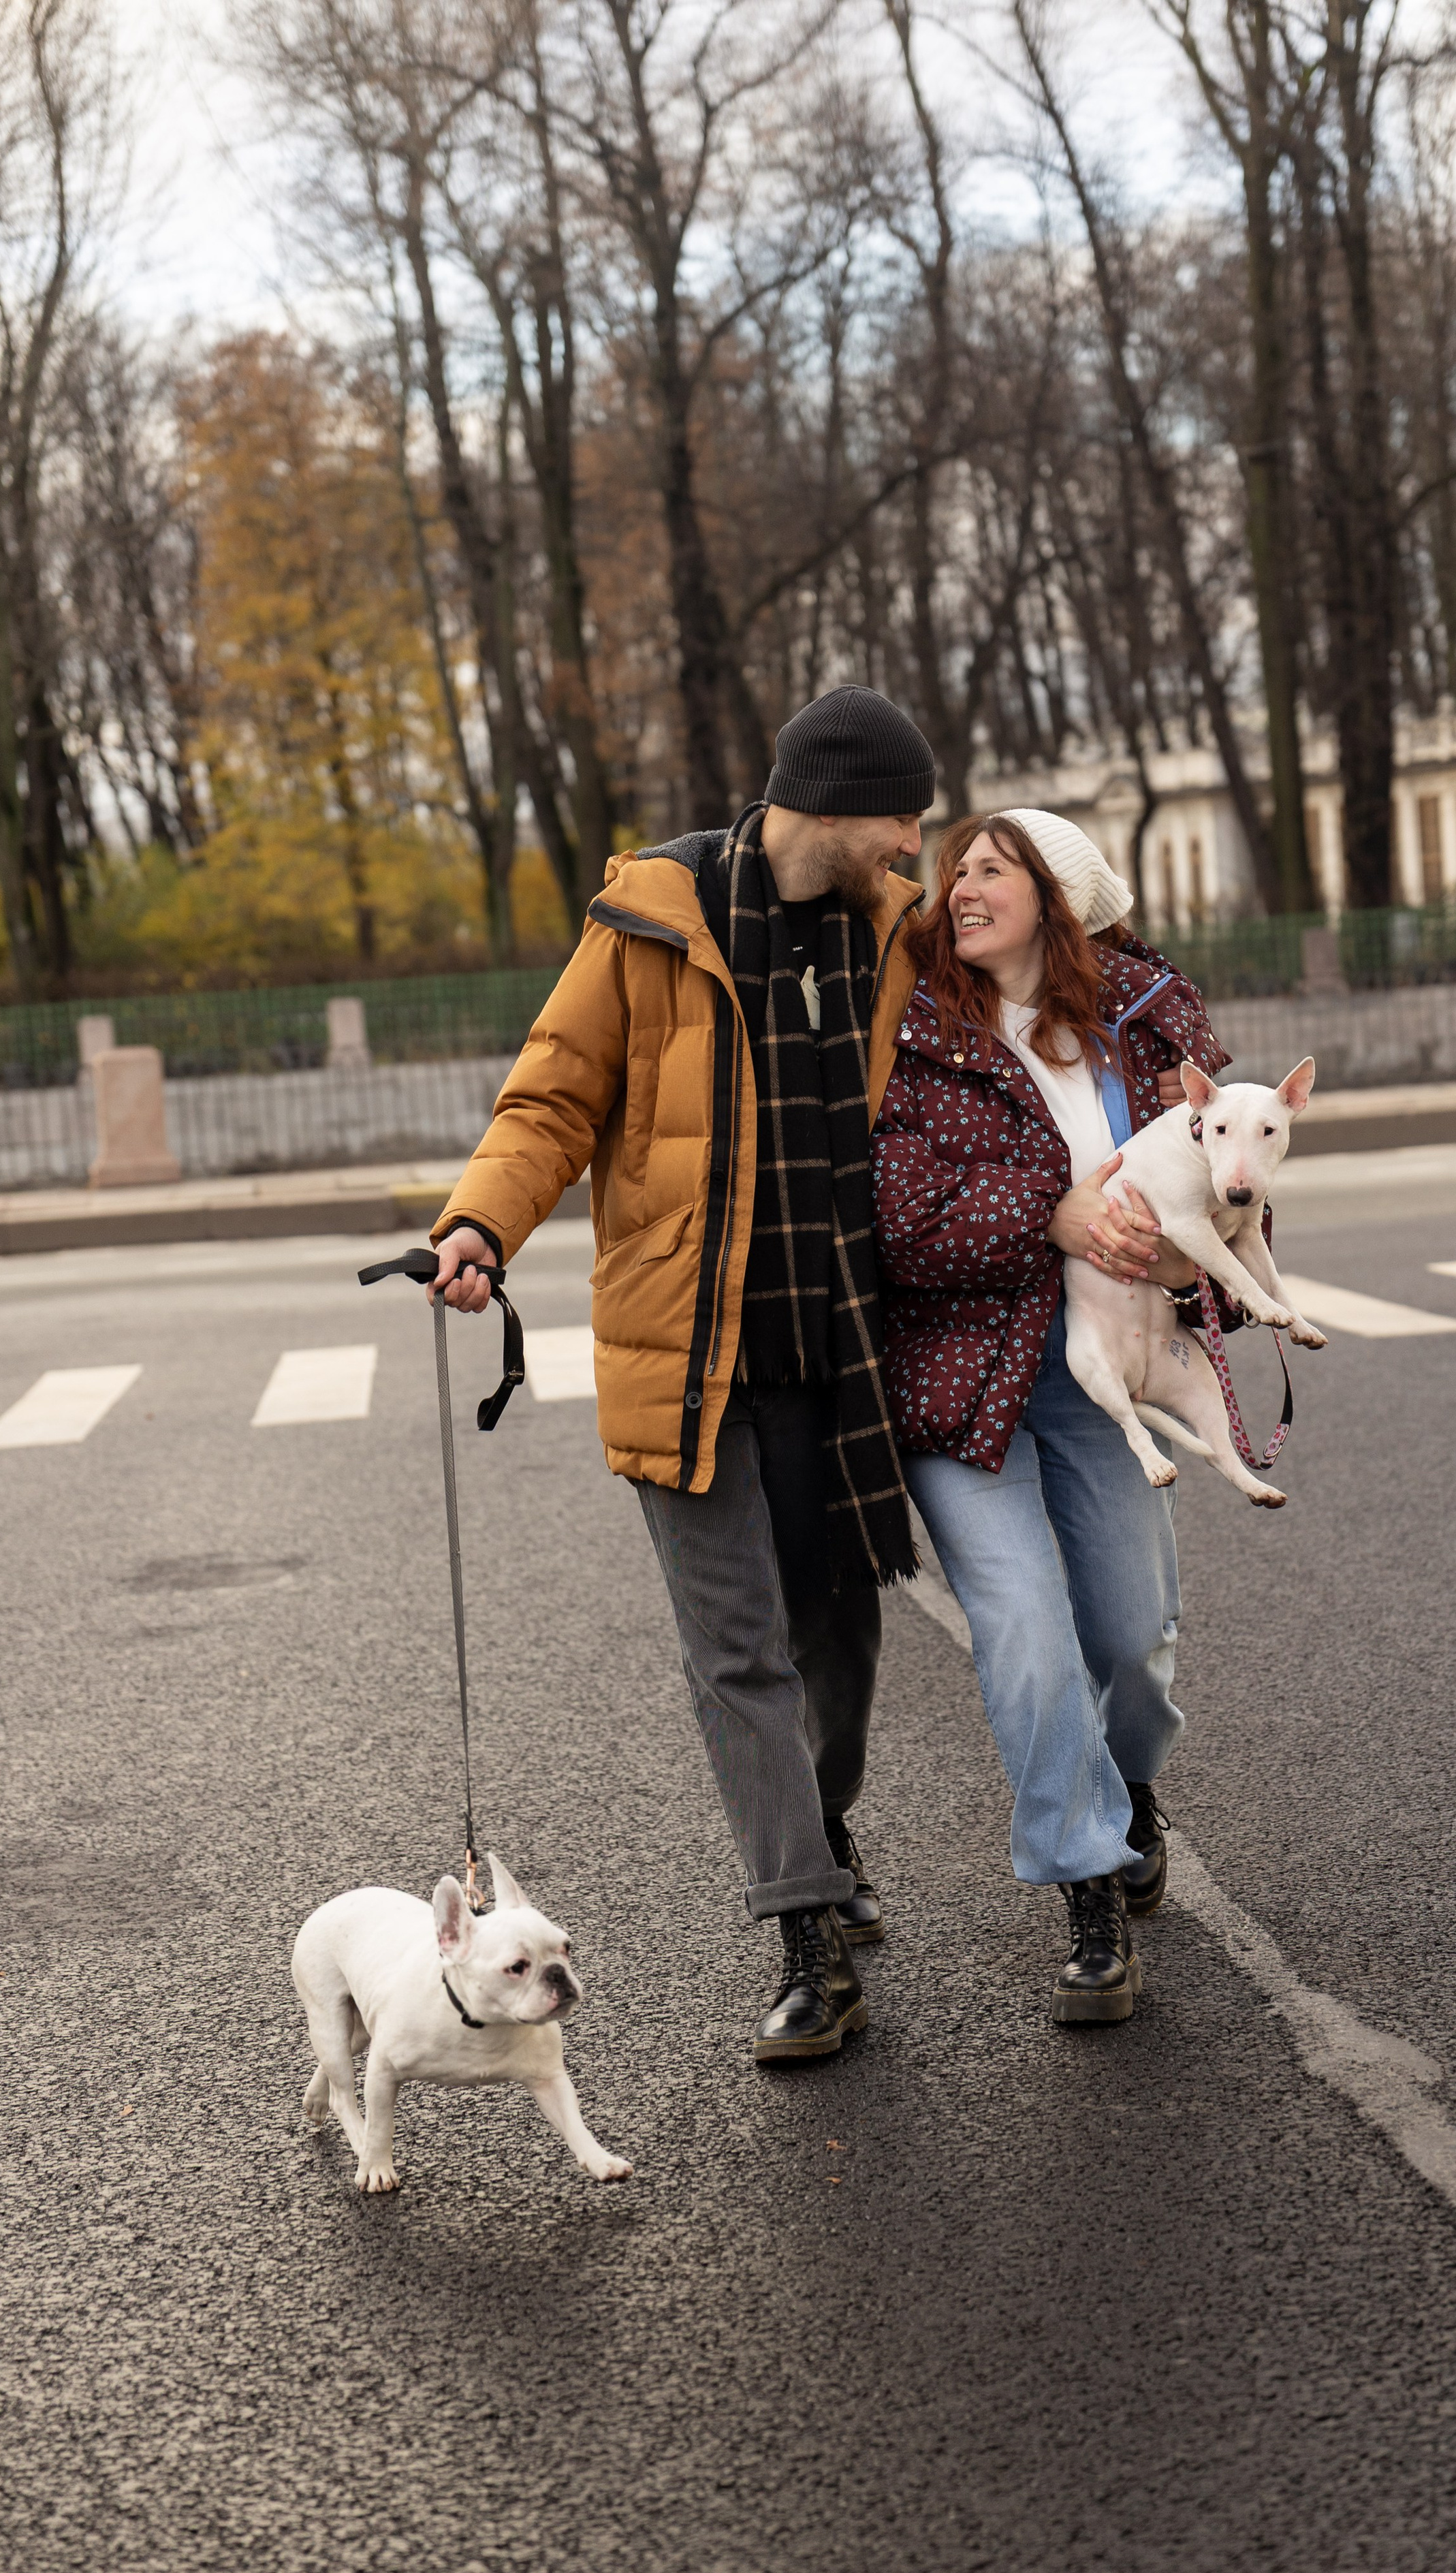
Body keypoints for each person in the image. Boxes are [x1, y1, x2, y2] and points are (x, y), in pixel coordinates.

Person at [429, 684, 932, 2063]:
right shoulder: (652, 922)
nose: (912, 844)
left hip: (841, 1355)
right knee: (736, 1656)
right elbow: (551, 1094)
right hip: (690, 1363)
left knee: (840, 1634)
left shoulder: (894, 928)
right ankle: (806, 1934)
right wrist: (478, 1222)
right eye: (899, 816)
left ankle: (822, 1830)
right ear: (825, 803)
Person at [870, 808, 1233, 2023]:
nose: (957, 886)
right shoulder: (912, 1027)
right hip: (964, 1382)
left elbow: (1234, 1180)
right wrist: (1057, 1212)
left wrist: (1204, 1263)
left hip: (1107, 1379)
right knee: (1025, 1631)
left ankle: (1130, 1789)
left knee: (1132, 1634)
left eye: (989, 870)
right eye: (953, 869)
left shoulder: (1148, 1020)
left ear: (1058, 898)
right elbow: (901, 1217)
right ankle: (1085, 1887)